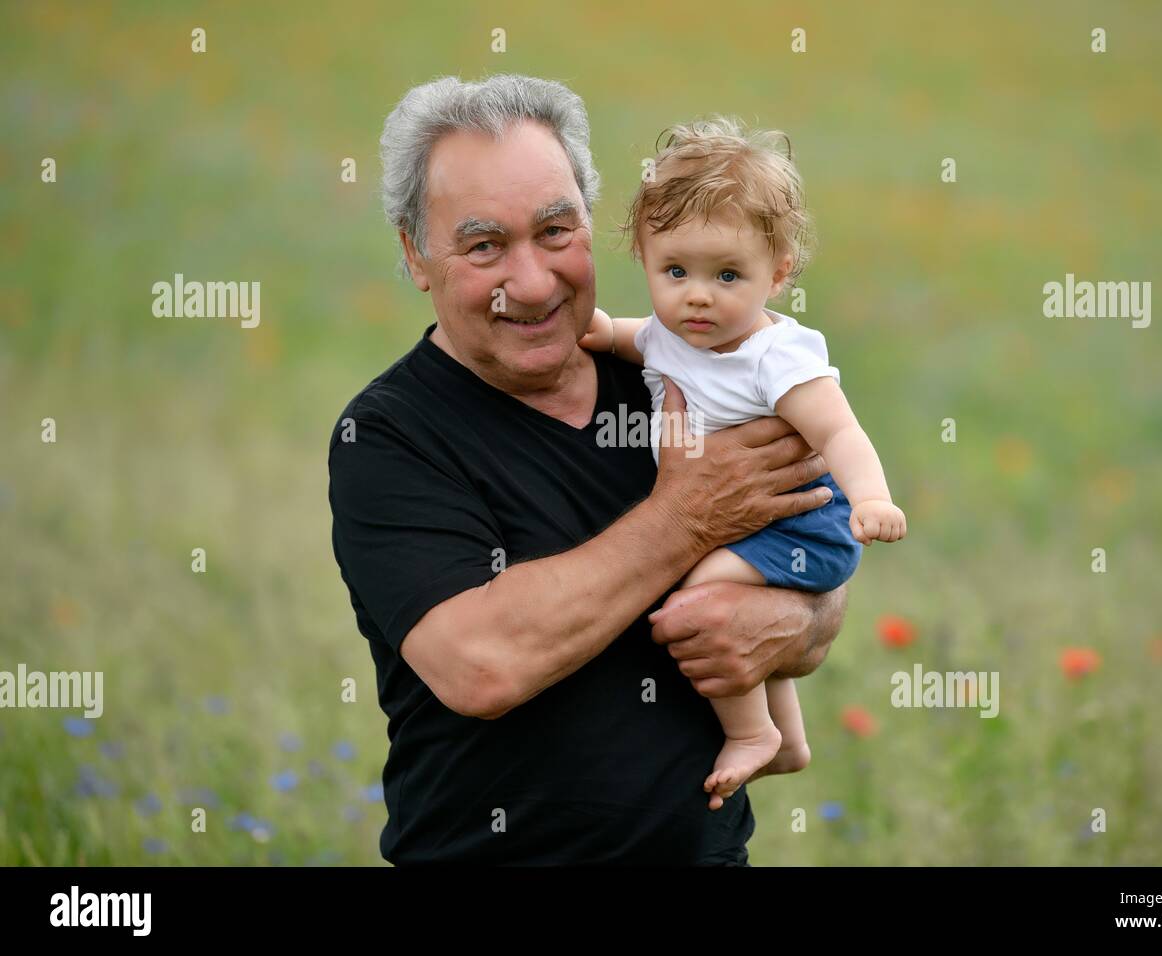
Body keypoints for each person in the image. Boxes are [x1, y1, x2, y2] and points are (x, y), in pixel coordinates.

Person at [328, 74, 848, 865]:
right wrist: (684, 519)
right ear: (416, 255)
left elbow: (813, 556)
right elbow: (482, 665)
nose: (533, 283)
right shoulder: (391, 437)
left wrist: (795, 624)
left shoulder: (686, 373)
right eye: (484, 246)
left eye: (555, 232)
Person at [580, 117, 907, 810]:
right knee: (720, 595)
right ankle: (787, 742)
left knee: (696, 601)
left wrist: (872, 499)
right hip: (748, 525)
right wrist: (602, 332)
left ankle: (750, 733)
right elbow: (635, 336)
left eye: (728, 275)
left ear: (778, 273)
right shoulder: (676, 331)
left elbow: (841, 433)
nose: (697, 296)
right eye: (675, 272)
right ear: (644, 259)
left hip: (804, 526)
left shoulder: (776, 358)